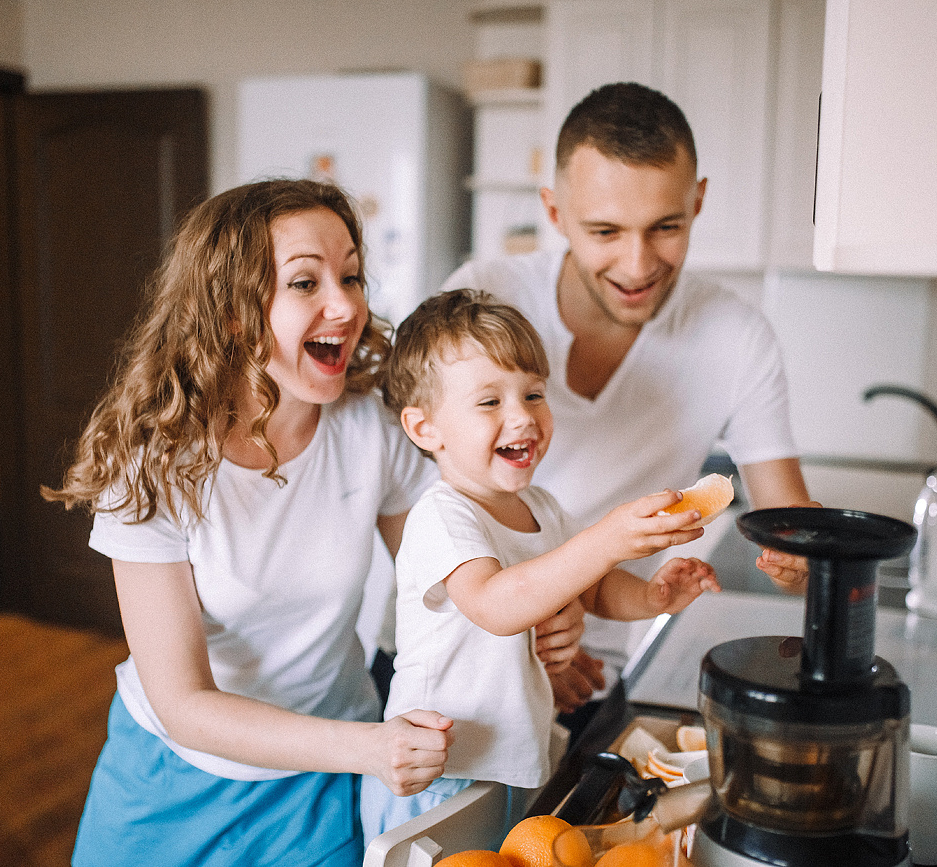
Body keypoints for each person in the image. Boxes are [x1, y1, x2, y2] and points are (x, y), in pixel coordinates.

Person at [43, 180, 465, 867]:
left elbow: (446, 582)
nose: (347, 303)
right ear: (232, 312)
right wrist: (371, 748)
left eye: (351, 275)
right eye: (306, 281)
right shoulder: (157, 460)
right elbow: (183, 701)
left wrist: (536, 616)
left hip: (321, 781)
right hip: (171, 778)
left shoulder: (371, 428)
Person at [439, 82, 818, 723]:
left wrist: (805, 557)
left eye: (666, 227)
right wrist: (525, 637)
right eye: (606, 231)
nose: (638, 264)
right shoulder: (485, 295)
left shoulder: (737, 336)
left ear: (698, 202)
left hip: (603, 667)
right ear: (554, 213)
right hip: (467, 654)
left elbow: (792, 520)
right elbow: (417, 493)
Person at [361, 288, 720, 842]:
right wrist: (607, 537)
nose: (522, 418)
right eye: (489, 402)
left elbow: (595, 588)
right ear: (424, 428)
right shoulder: (441, 517)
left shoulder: (541, 508)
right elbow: (496, 603)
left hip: (511, 759)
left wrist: (652, 598)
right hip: (440, 774)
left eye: (532, 394)